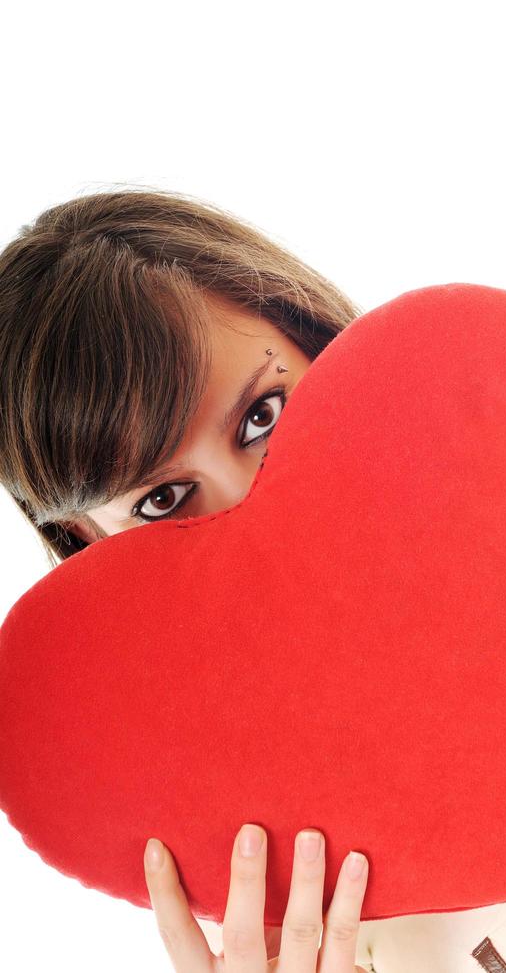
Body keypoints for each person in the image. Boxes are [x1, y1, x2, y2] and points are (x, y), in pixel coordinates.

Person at [0, 187, 373, 971]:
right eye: (163, 499)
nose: (249, 505)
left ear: (316, 343)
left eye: (261, 417)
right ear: (87, 539)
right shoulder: (243, 856)